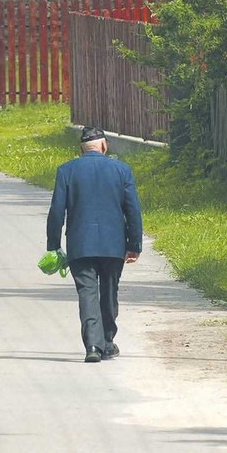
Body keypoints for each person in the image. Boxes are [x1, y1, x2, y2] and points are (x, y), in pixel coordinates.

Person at [46, 126, 143, 363]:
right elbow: (133, 210)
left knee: (87, 294)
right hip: (113, 245)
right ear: (104, 145)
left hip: (80, 245)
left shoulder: (66, 171)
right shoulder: (121, 170)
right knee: (109, 292)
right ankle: (107, 342)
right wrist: (134, 244)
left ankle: (92, 345)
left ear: (81, 148)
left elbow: (57, 211)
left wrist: (53, 245)